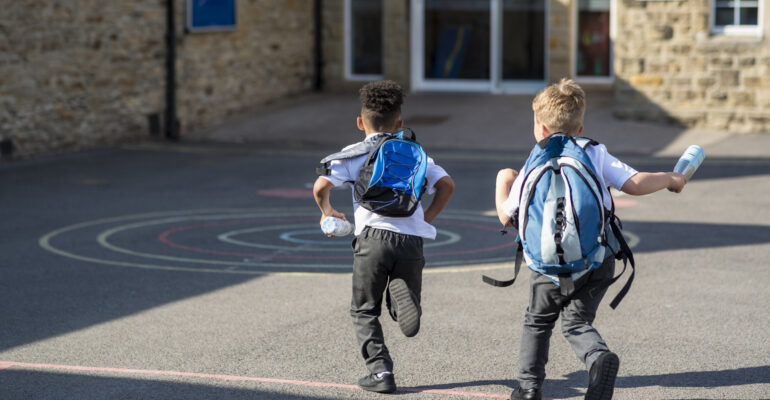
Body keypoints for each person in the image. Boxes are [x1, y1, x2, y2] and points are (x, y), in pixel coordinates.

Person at [494, 78, 686, 400]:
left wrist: (503, 180)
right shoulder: (594, 152)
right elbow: (634, 183)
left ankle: (528, 388)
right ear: (580, 128)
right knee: (576, 322)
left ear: (540, 128)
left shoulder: (534, 159)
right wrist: (671, 178)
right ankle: (598, 359)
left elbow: (506, 215)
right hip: (597, 258)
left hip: (546, 266)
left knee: (537, 322)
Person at [313, 80, 455, 394]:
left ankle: (380, 372)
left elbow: (321, 187)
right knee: (402, 300)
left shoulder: (353, 155)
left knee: (363, 309)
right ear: (400, 123)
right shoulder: (416, 154)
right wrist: (426, 218)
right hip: (411, 241)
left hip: (372, 240)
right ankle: (404, 295)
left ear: (361, 122)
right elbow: (447, 185)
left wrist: (328, 212)